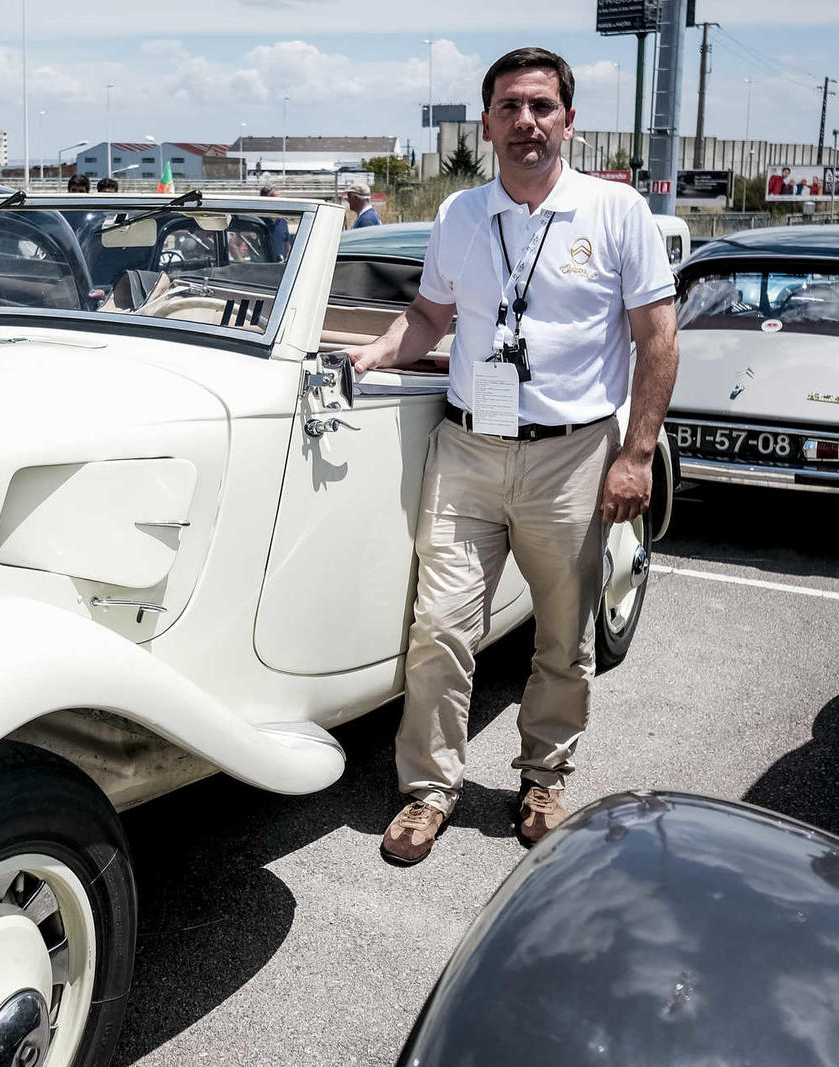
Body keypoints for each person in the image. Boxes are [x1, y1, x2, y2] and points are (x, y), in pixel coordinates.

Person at [339, 47, 679, 865]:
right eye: (509, 108)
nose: (526, 123)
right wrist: (380, 352)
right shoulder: (462, 214)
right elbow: (428, 314)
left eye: (541, 107)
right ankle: (429, 790)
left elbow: (658, 338)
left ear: (568, 119)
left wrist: (636, 454)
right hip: (467, 446)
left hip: (573, 453)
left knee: (562, 634)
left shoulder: (615, 212)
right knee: (440, 626)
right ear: (486, 122)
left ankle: (544, 775)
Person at [260, 183, 290, 260]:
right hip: (260, 269)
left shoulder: (283, 222)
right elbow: (233, 244)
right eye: (274, 199)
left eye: (279, 199)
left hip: (279, 268)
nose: (279, 202)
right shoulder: (257, 222)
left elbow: (287, 247)